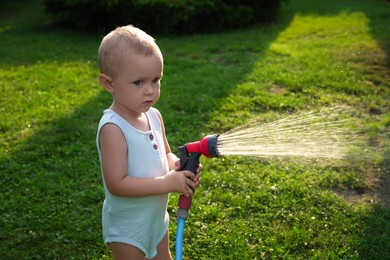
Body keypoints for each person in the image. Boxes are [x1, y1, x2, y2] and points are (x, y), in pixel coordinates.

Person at [96, 25, 201, 260]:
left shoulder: (153, 115)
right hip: (128, 229)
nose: (150, 91)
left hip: (156, 220)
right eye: (138, 83)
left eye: (156, 80)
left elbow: (165, 154)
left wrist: (180, 168)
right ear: (109, 83)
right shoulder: (113, 128)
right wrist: (167, 183)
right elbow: (118, 184)